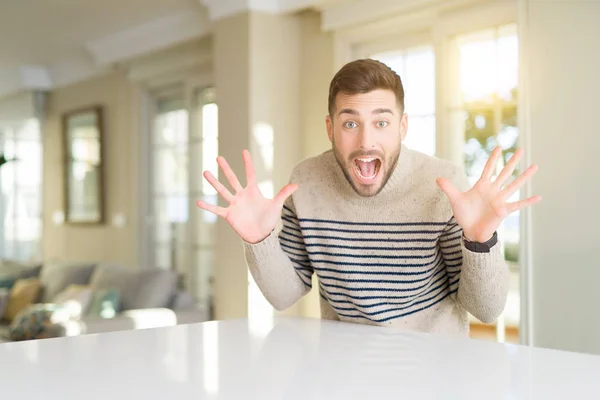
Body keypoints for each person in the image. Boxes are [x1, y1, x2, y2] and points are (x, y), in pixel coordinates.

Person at [196, 59, 541, 336]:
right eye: (350, 124)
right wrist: (260, 240)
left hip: (432, 370)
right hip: (343, 369)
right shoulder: (306, 181)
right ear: (330, 128)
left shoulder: (442, 184)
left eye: (381, 123)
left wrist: (480, 241)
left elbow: (486, 309)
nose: (365, 141)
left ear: (402, 127)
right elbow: (284, 296)